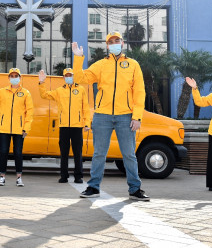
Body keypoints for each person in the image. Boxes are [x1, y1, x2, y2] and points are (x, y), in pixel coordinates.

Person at [72, 32, 149, 201]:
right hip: (102, 115)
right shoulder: (100, 65)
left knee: (129, 154)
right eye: (110, 42)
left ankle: (135, 189)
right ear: (107, 46)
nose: (114, 43)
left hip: (126, 116)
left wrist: (137, 117)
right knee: (99, 153)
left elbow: (139, 92)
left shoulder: (133, 64)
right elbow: (80, 78)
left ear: (122, 43)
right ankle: (93, 187)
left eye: (117, 40)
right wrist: (78, 58)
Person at [38, 68, 91, 183]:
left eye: (70, 75)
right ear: (63, 77)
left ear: (73, 76)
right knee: (64, 153)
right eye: (66, 75)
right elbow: (44, 95)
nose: (68, 77)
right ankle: (64, 176)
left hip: (77, 126)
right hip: (64, 126)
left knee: (78, 153)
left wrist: (87, 123)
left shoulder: (80, 89)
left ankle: (78, 176)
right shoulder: (59, 91)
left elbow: (85, 108)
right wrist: (42, 83)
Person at [0, 68, 34, 187]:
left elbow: (30, 112)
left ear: (20, 78)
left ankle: (19, 178)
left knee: (18, 153)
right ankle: (2, 177)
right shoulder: (2, 92)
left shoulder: (26, 93)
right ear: (8, 78)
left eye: (16, 76)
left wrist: (26, 128)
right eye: (11, 76)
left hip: (19, 129)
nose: (14, 78)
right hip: (4, 128)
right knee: (3, 152)